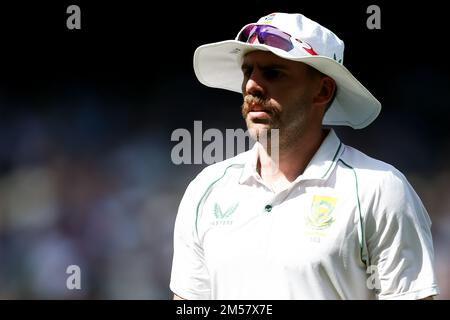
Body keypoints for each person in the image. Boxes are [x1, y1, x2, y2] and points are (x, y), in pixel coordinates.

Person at [169, 12, 440, 299]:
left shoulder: (380, 190)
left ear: (322, 90)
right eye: (248, 71)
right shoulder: (206, 188)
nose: (251, 86)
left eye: (273, 73)